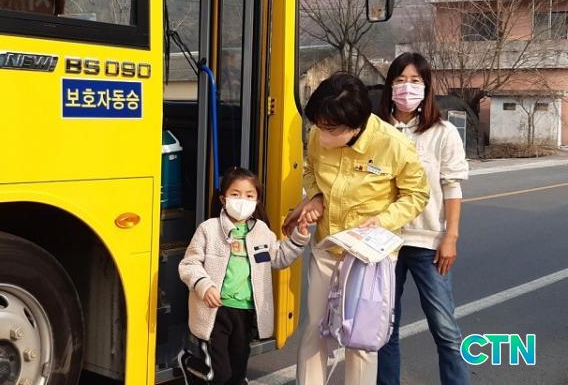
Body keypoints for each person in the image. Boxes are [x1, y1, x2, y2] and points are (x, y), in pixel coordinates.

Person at [282, 72, 429, 385]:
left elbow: (417, 195)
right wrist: (316, 196)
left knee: (360, 339)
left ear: (355, 125)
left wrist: (383, 220)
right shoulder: (320, 132)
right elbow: (309, 170)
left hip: (369, 259)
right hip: (327, 248)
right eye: (318, 126)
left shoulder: (393, 145)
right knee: (316, 330)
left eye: (330, 130)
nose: (321, 136)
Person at [376, 52, 470, 385]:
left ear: (427, 87)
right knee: (384, 329)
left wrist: (450, 236)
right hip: (383, 243)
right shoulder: (375, 130)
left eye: (415, 80)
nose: (407, 87)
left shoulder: (443, 132)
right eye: (400, 80)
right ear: (390, 86)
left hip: (427, 242)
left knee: (445, 329)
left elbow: (451, 187)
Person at [178, 167, 311, 385]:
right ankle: (189, 362)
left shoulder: (261, 231)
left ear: (257, 200)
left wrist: (299, 238)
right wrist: (204, 286)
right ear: (223, 199)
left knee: (237, 375)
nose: (242, 201)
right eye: (235, 194)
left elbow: (279, 258)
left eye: (249, 195)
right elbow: (189, 264)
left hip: (245, 313)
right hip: (215, 311)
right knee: (219, 375)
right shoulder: (209, 229)